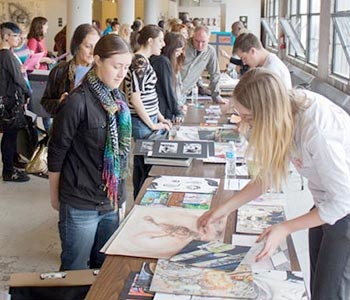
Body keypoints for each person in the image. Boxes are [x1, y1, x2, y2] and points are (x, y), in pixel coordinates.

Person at [198, 68, 350, 299]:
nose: (246, 125)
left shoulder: (317, 130)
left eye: (249, 118)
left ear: (268, 112)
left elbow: (342, 201)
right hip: (324, 202)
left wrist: (285, 227)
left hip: (344, 209)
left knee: (329, 292)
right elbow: (267, 176)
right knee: (318, 283)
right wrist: (224, 209)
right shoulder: (284, 115)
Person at [48, 34, 132, 270]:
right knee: (74, 268)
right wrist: (55, 196)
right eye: (116, 66)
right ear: (97, 60)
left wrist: (121, 198)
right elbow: (57, 150)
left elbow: (121, 155)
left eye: (125, 67)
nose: (121, 73)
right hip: (80, 202)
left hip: (110, 202)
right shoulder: (77, 102)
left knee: (103, 267)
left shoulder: (119, 100)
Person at [124, 24, 172, 199]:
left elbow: (148, 95)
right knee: (145, 168)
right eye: (160, 40)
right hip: (143, 122)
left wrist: (160, 117)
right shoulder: (139, 62)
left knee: (143, 165)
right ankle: (141, 201)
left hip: (148, 119)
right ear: (150, 41)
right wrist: (152, 124)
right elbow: (135, 98)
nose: (163, 44)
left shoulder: (144, 61)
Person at [41, 24, 100, 117]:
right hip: (64, 126)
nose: (92, 52)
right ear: (77, 45)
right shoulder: (60, 71)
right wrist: (59, 102)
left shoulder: (100, 73)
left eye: (96, 46)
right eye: (88, 46)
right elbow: (45, 102)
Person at [0, 22, 31, 182]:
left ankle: (10, 166)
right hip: (10, 104)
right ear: (6, 36)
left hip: (6, 102)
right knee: (10, 137)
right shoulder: (6, 55)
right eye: (16, 35)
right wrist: (28, 92)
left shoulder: (6, 55)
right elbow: (18, 79)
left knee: (9, 136)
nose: (19, 39)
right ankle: (8, 171)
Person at [181, 25, 228, 104]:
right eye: (197, 41)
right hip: (171, 89)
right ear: (193, 37)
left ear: (209, 39)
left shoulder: (210, 52)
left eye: (203, 42)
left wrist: (216, 95)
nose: (200, 45)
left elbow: (215, 74)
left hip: (184, 93)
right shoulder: (183, 46)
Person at [150, 32, 186, 121]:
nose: (180, 53)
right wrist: (178, 112)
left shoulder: (158, 59)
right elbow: (168, 90)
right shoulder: (163, 62)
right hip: (161, 110)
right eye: (177, 51)